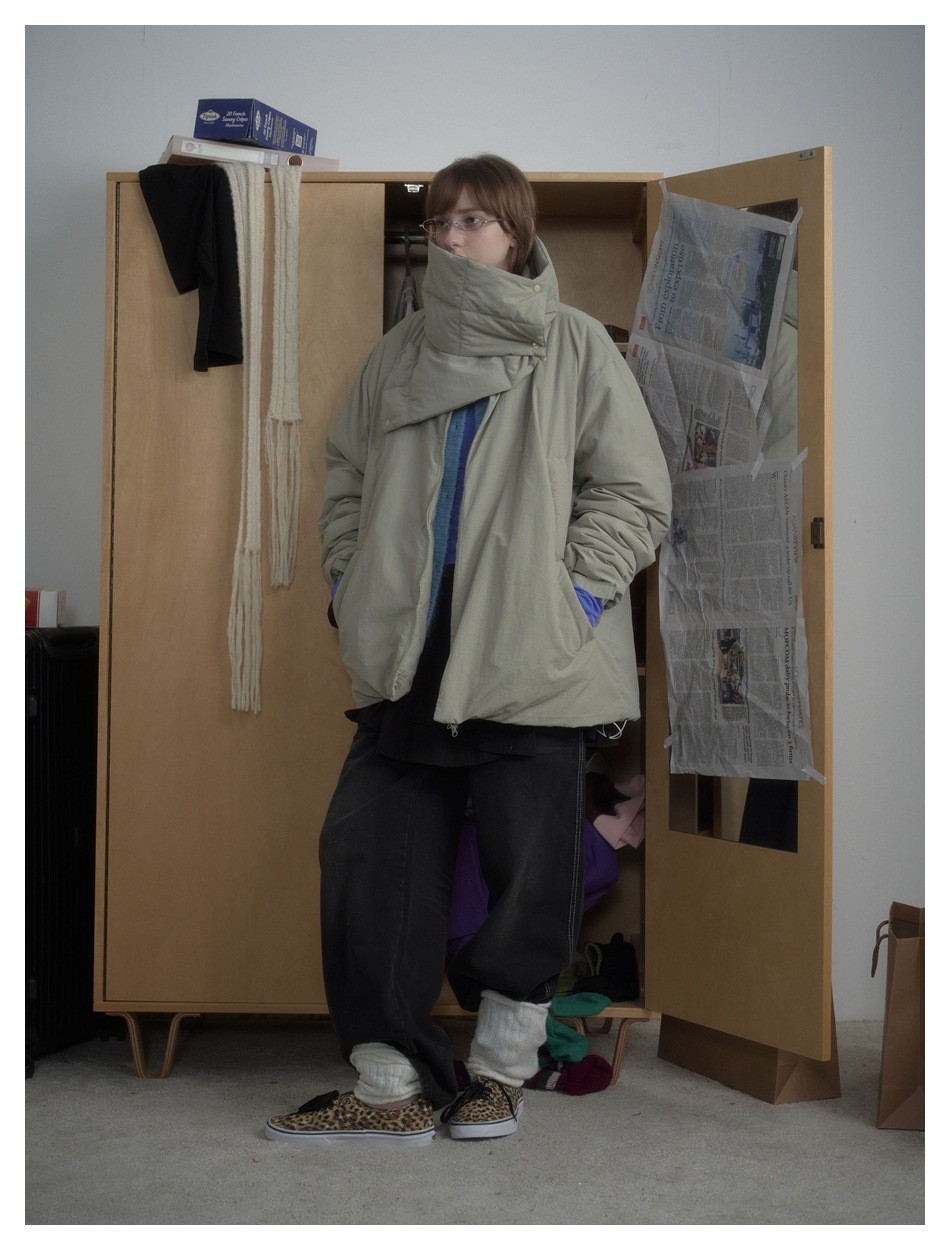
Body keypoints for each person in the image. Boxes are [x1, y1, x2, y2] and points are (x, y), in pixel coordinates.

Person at [265, 154, 671, 1146]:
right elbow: (345, 475)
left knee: (528, 870)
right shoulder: (398, 353)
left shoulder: (576, 345)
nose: (453, 239)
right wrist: (349, 584)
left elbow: (633, 493)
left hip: (531, 657)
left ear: (517, 235)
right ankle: (388, 1082)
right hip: (409, 653)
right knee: (368, 857)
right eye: (440, 223)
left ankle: (498, 1072)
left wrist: (570, 598)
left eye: (475, 222)